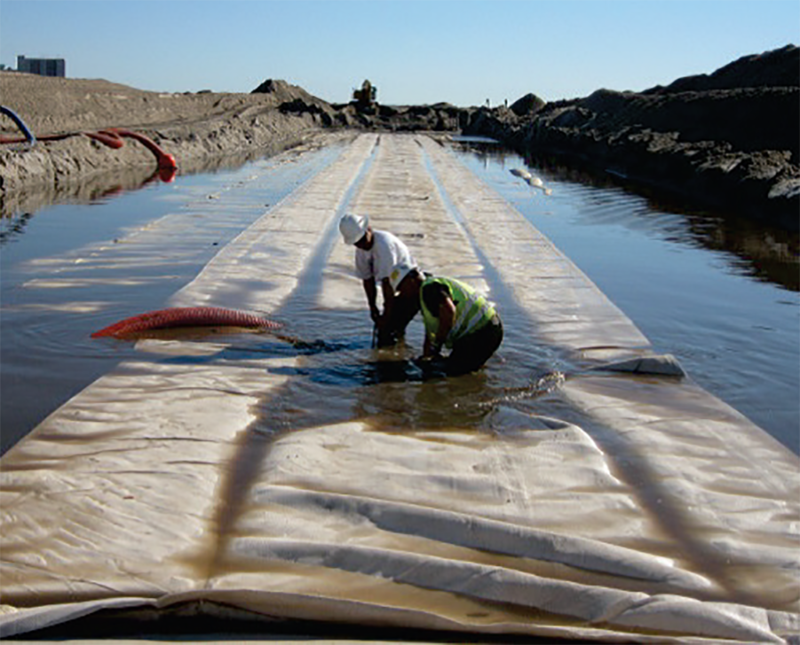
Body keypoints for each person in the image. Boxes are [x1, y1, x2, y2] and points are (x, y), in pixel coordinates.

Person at [389, 261, 503, 375]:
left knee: (452, 373)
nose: (402, 294)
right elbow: (430, 334)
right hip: (485, 330)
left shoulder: (429, 289)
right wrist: (426, 356)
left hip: (482, 332)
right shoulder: (426, 294)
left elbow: (449, 312)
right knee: (460, 370)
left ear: (411, 280)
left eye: (401, 288)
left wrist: (436, 346)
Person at [339, 213, 420, 346]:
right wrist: (373, 308)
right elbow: (367, 280)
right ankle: (397, 345)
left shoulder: (384, 245)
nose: (361, 245)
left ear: (369, 229)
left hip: (410, 286)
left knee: (391, 328)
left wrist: (386, 315)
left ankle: (396, 353)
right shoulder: (361, 250)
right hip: (394, 285)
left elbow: (387, 284)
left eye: (363, 240)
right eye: (357, 243)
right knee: (387, 331)